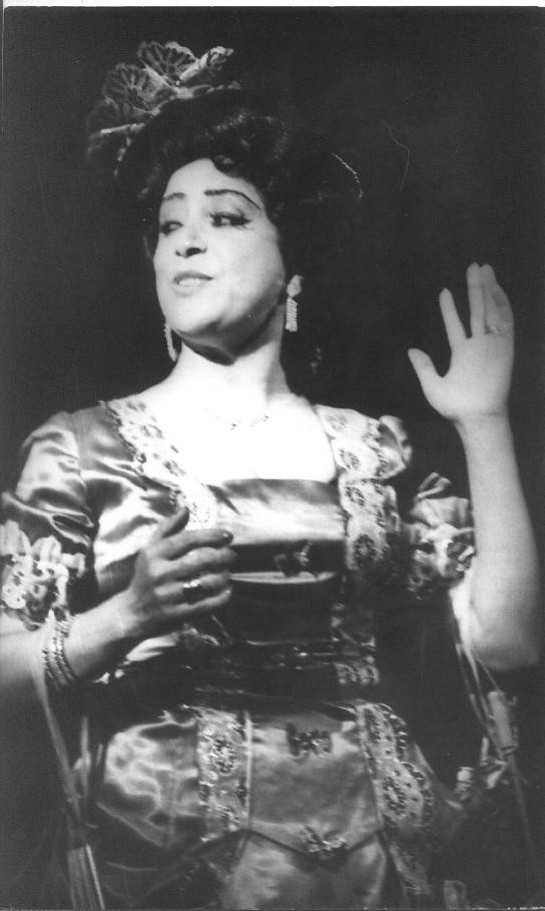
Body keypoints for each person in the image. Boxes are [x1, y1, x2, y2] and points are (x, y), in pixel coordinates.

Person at [0, 41, 540, 910]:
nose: (187, 242)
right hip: (165, 855)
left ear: (293, 264)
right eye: (168, 227)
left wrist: (483, 424)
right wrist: (123, 618)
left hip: (375, 858)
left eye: (225, 218)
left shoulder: (376, 449)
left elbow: (507, 643)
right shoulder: (83, 446)